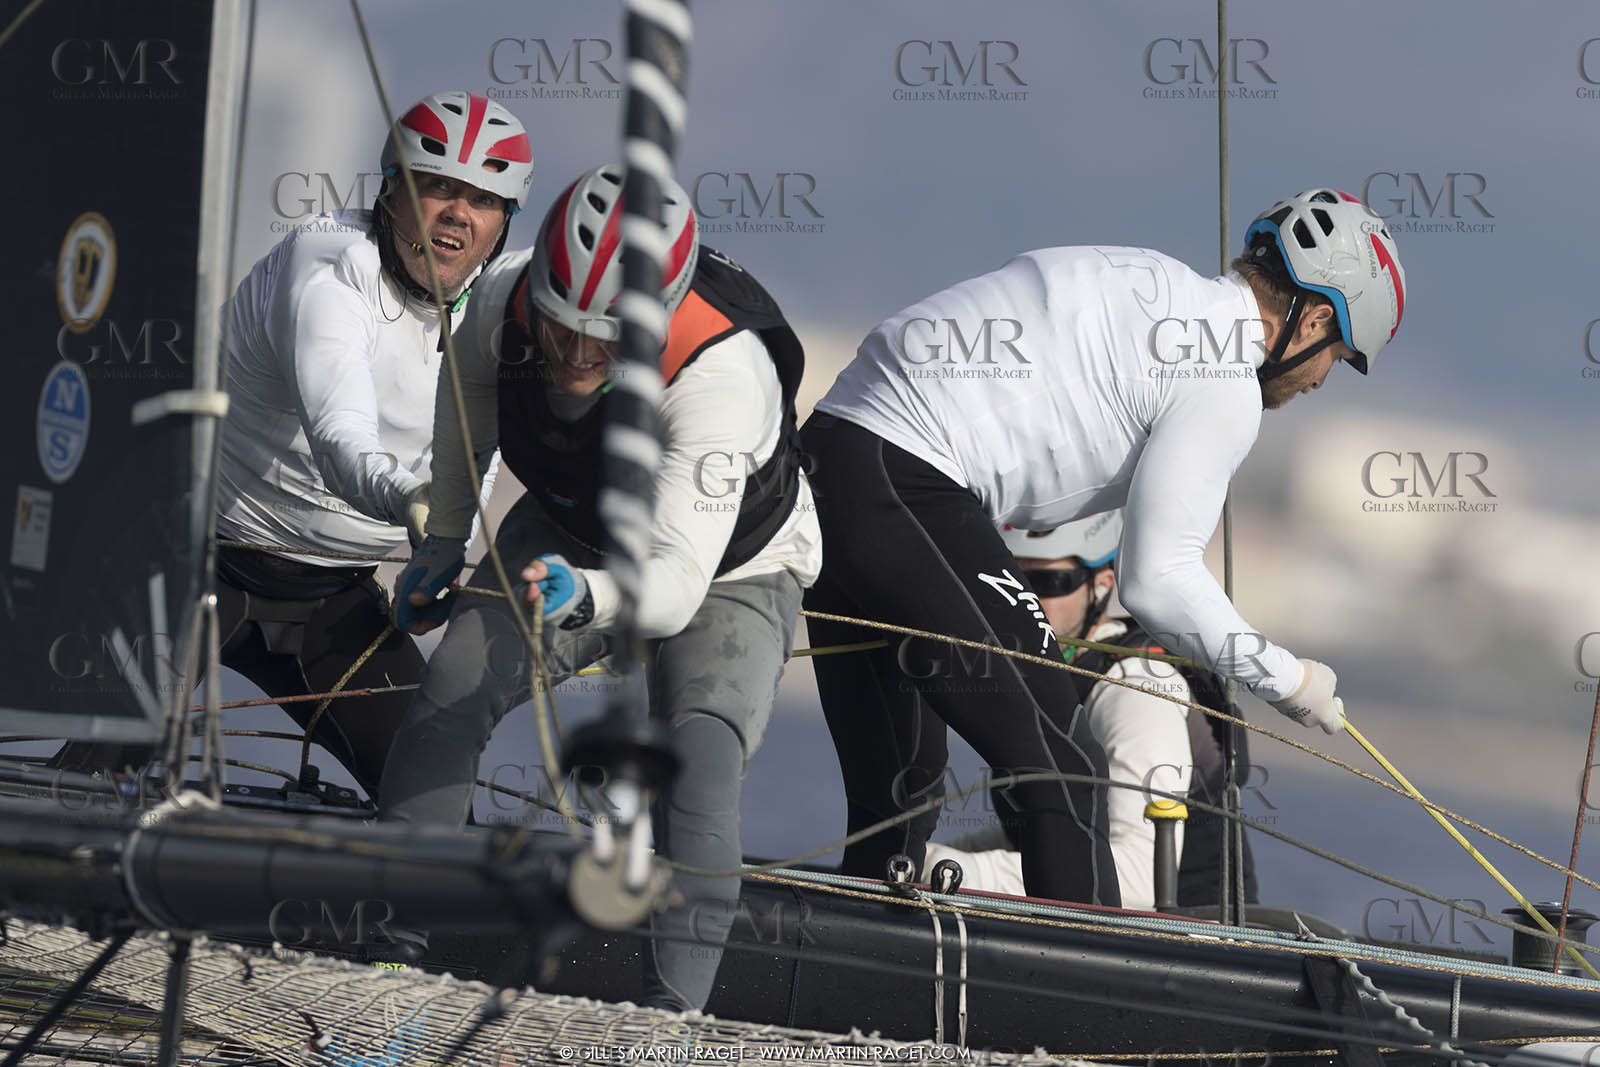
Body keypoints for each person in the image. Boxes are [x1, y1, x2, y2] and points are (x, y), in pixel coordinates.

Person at [804, 188, 1406, 908]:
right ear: (1310, 320)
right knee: (1061, 771)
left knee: (900, 788)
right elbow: (1156, 580)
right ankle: (1078, 1017)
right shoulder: (1224, 377)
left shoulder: (1154, 282)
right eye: (1337, 355)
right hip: (906, 475)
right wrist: (1287, 679)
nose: (1321, 380)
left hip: (830, 454)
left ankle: (858, 953)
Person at [378, 164, 821, 1013]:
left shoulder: (725, 374)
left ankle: (668, 1021)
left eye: (606, 340)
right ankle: (388, 952)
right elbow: (465, 403)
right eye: (560, 327)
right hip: (566, 524)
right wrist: (444, 540)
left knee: (699, 755)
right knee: (448, 694)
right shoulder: (505, 302)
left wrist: (584, 595)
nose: (576, 355)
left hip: (725, 565)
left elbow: (676, 587)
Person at [53, 91, 532, 802]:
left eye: (483, 199)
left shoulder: (500, 305)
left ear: (502, 223)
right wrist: (412, 502)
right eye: (436, 187)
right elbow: (340, 435)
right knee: (92, 784)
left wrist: (443, 550)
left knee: (430, 794)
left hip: (332, 601)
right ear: (392, 189)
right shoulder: (329, 267)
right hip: (188, 562)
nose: (458, 212)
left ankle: (379, 913)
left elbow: (479, 440)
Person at [921, 510, 1259, 911]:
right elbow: (1035, 838)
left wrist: (947, 872)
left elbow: (1136, 880)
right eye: (1009, 581)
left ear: (1101, 587)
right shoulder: (1057, 683)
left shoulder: (1138, 691)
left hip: (1190, 949)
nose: (1023, 599)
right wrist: (924, 859)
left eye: (1048, 582)